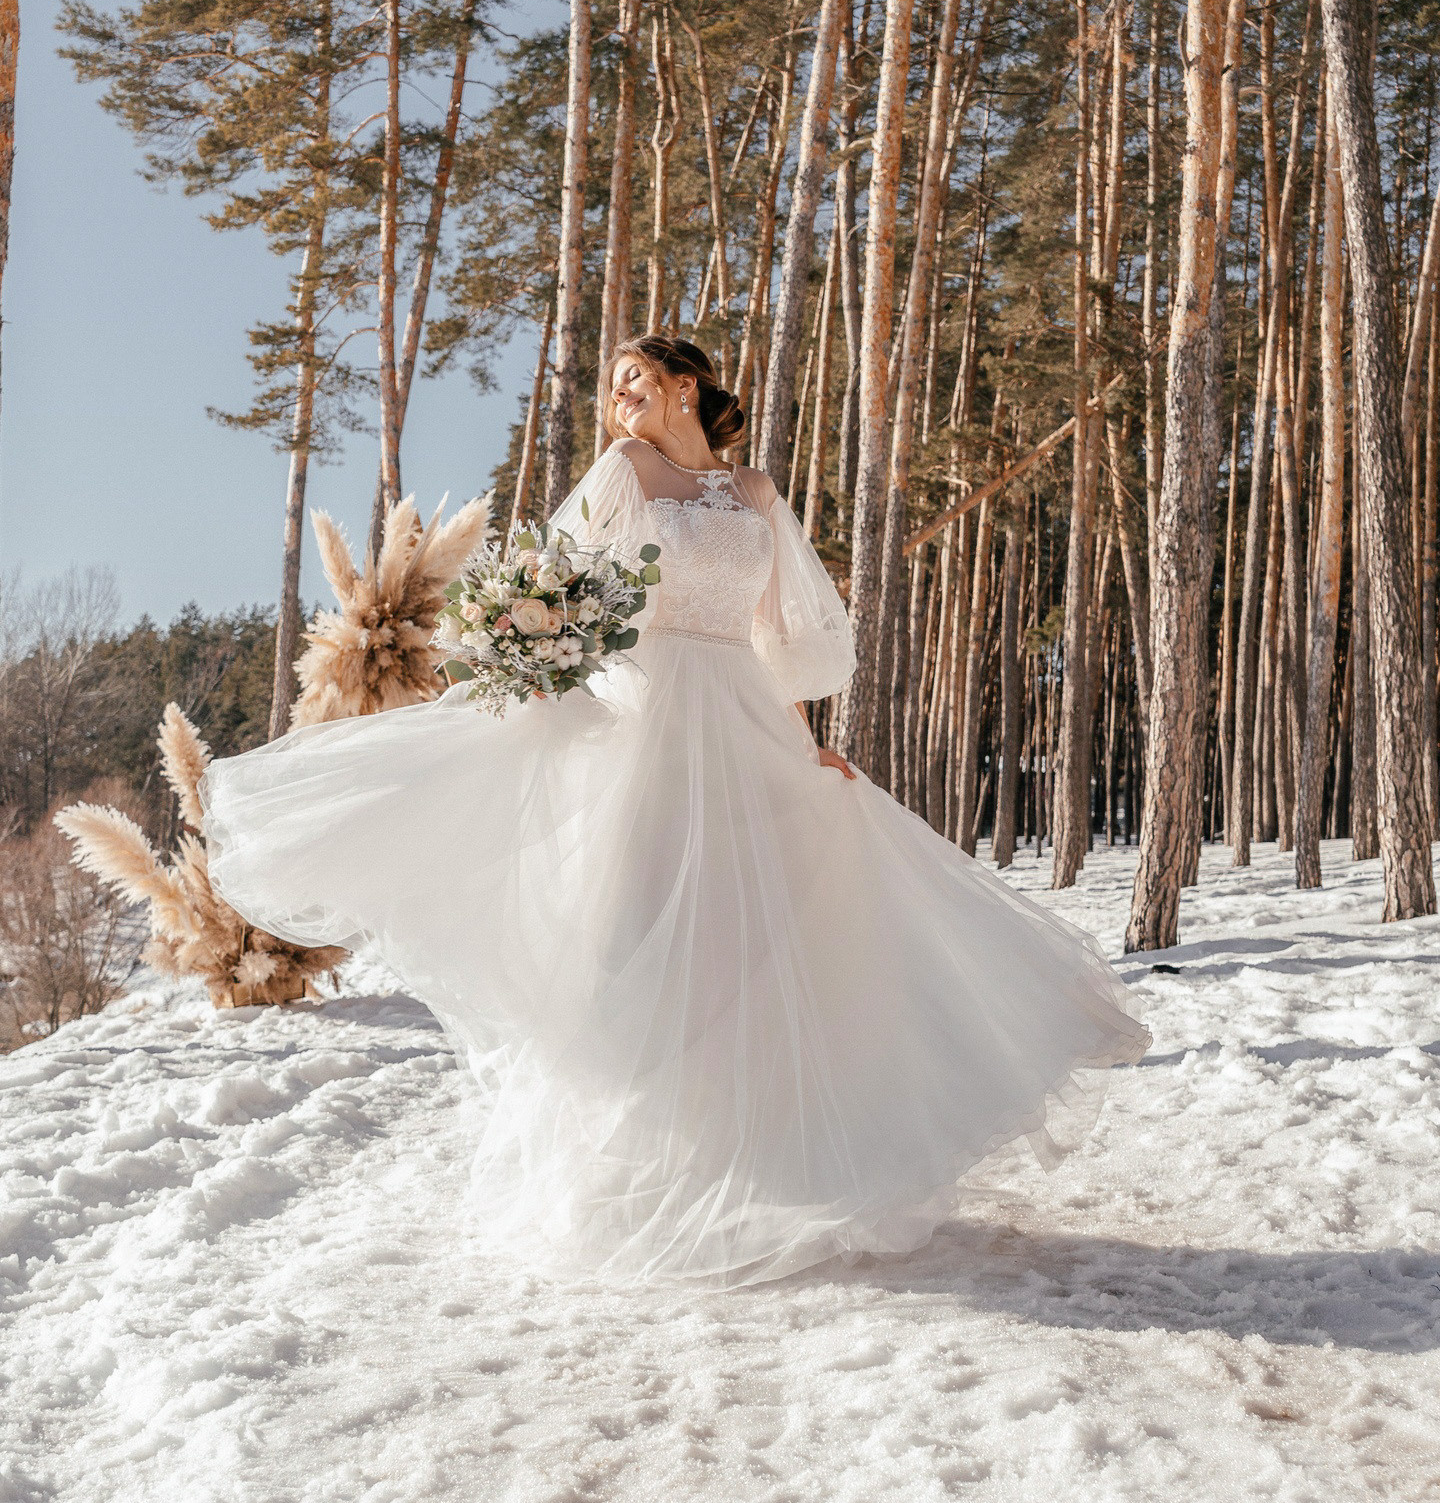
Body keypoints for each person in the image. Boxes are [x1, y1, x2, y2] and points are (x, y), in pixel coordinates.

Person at [203, 334, 1149, 1286]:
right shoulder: (624, 471)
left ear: (685, 386)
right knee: (645, 929)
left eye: (637, 379)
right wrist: (540, 663)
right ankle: (651, 1168)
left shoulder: (757, 495)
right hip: (648, 717)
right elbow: (559, 589)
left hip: (745, 717)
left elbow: (775, 635)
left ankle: (776, 1165)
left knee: (773, 931)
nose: (620, 394)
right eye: (614, 382)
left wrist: (805, 735)